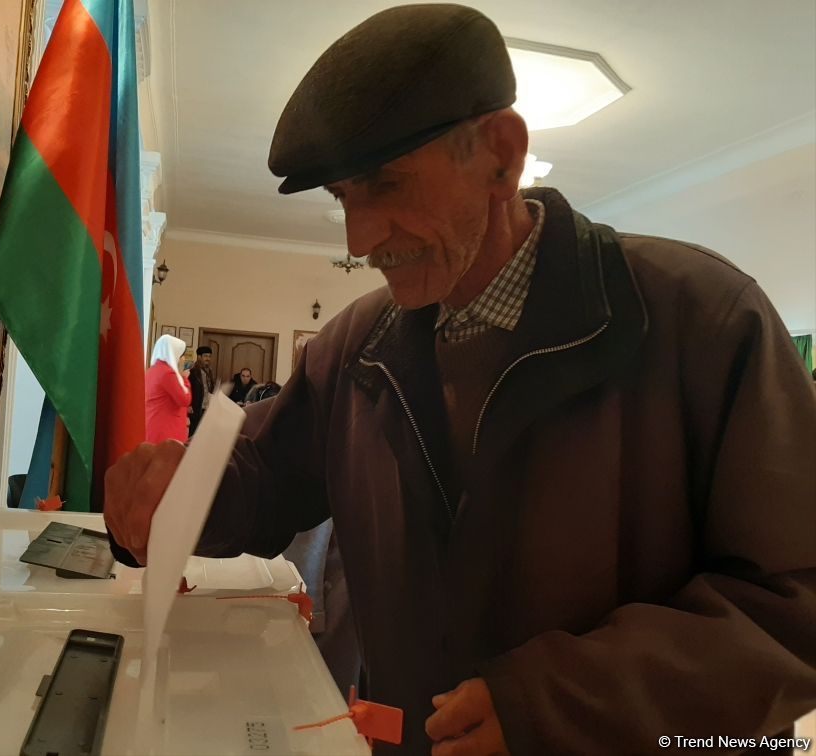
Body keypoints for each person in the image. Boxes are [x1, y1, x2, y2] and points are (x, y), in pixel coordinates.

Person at [105, 5, 816, 754]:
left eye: (385, 184)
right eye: (344, 198)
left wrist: (555, 705)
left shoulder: (701, 320)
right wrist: (182, 494)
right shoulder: (354, 351)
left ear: (502, 157)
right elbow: (266, 476)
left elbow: (793, 603)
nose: (359, 239)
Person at [143, 334, 191, 444]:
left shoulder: (152, 370)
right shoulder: (168, 374)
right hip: (166, 431)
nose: (183, 359)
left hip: (154, 427)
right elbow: (184, 399)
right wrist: (184, 379)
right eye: (182, 355)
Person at [187, 345, 215, 436]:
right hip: (196, 409)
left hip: (206, 409)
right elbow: (187, 388)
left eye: (209, 356)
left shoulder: (209, 371)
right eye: (205, 356)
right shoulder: (192, 371)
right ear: (199, 357)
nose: (208, 358)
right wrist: (189, 405)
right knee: (193, 434)